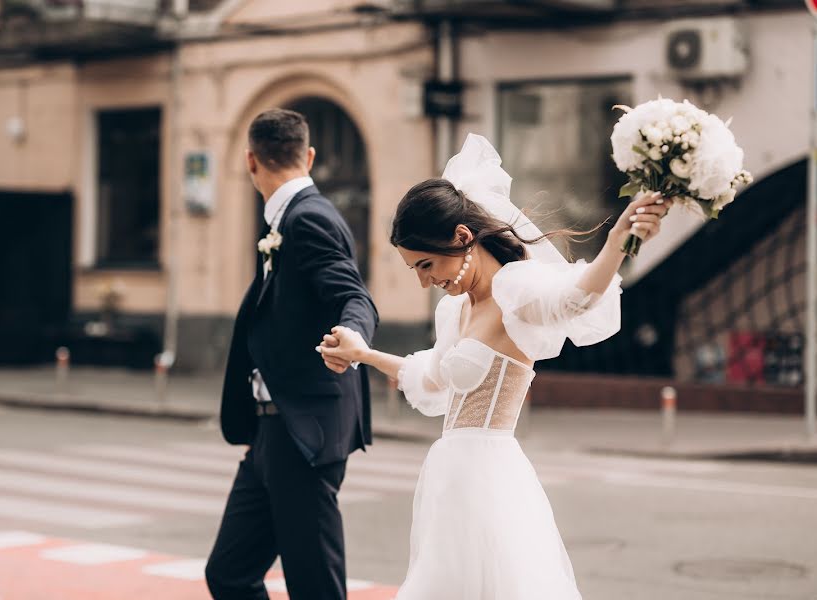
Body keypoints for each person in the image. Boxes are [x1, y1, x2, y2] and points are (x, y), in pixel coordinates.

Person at [318, 133, 671, 599]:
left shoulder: (516, 290)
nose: (425, 281)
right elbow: (427, 380)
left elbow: (577, 297)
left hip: (491, 481)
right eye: (416, 271)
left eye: (426, 265)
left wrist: (617, 244)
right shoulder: (456, 310)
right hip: (450, 481)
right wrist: (362, 353)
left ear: (463, 238)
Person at [205, 108, 378, 600]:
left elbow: (354, 296)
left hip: (302, 432)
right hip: (271, 430)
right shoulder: (289, 220)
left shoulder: (309, 219)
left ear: (250, 161)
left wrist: (352, 335)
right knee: (230, 574)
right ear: (309, 156)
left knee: (315, 587)